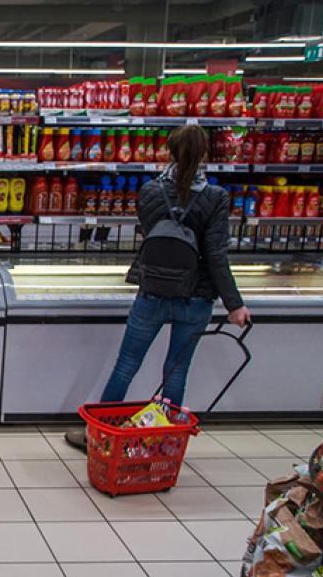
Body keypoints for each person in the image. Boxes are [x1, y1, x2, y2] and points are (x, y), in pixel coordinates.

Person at [67, 125, 251, 448]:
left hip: (152, 291)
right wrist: (234, 305)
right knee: (176, 372)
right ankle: (165, 442)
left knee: (126, 364)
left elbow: (151, 233)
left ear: (170, 152)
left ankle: (99, 436)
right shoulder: (216, 198)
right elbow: (216, 255)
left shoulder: (151, 192)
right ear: (205, 155)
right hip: (195, 298)